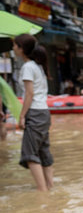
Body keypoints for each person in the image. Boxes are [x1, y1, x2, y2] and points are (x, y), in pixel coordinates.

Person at [13, 34, 53, 191]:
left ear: (22, 49)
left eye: (15, 45)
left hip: (35, 112)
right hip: (44, 112)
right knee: (43, 151)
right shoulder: (38, 66)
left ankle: (42, 192)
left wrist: (22, 115)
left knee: (30, 154)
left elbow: (29, 94)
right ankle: (50, 187)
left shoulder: (28, 67)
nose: (13, 48)